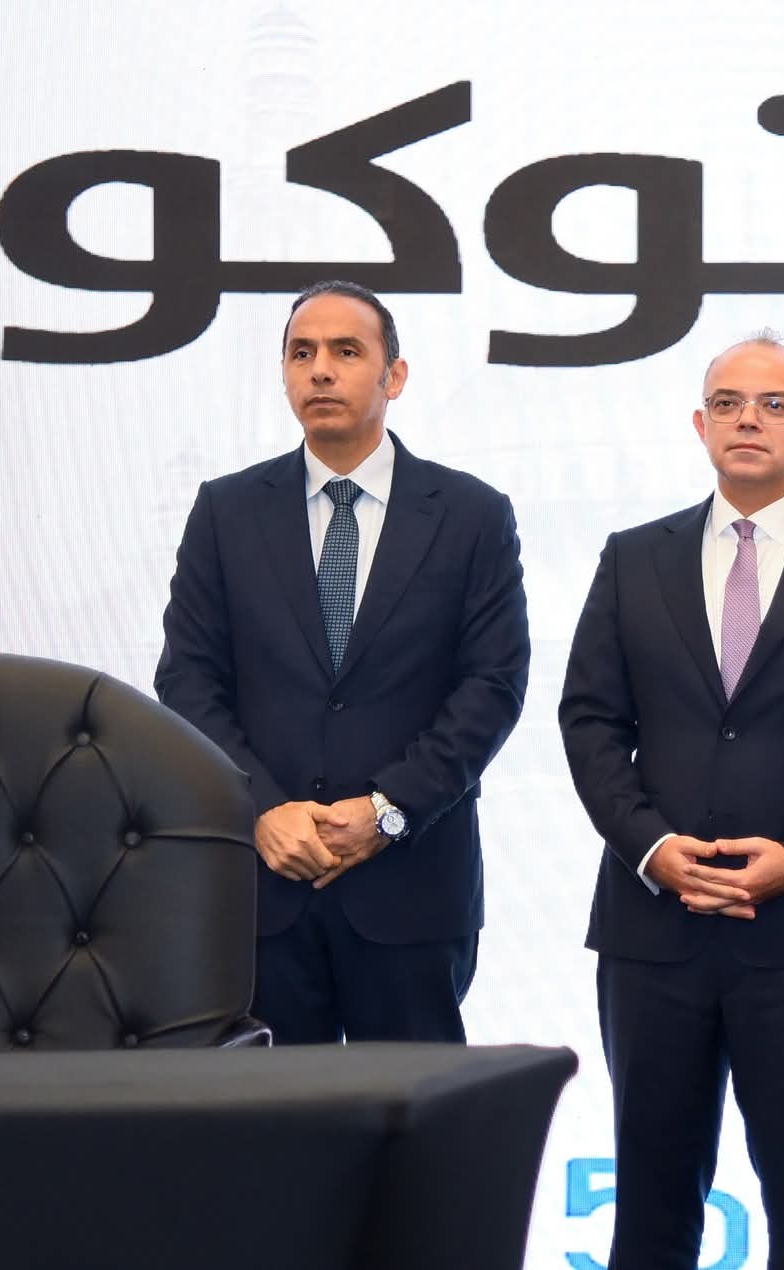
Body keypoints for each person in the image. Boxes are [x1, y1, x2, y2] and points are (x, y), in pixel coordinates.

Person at [558, 331, 784, 1269]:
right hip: (655, 934)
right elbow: (590, 721)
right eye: (727, 403)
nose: (748, 420)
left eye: (773, 404)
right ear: (700, 425)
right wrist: (652, 849)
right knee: (650, 1212)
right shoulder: (633, 559)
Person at [156, 279, 529, 1043]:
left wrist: (389, 811)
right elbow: (187, 681)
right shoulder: (226, 512)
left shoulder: (471, 515)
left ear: (395, 376)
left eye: (346, 351)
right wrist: (262, 808)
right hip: (264, 890)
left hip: (411, 889)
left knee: (416, 1112)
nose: (320, 369)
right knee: (272, 1115)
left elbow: (492, 686)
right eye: (302, 353)